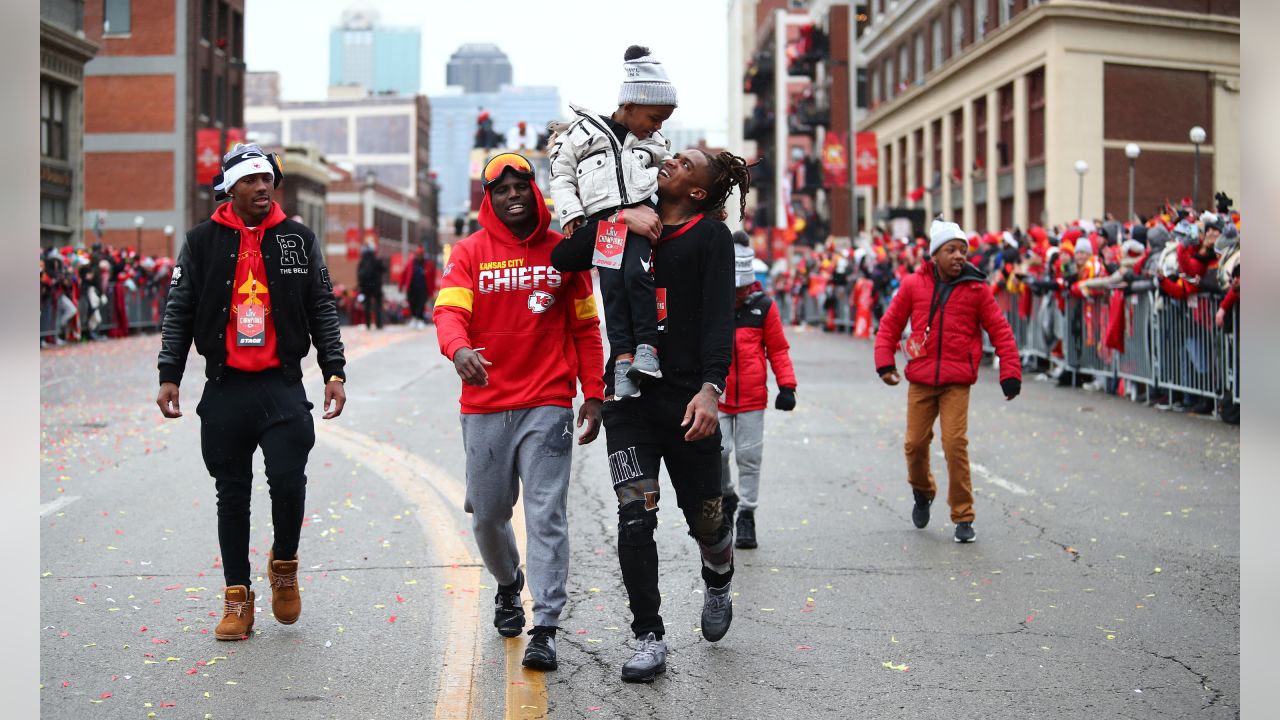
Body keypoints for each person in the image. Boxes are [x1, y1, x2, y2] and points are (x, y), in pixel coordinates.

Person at [552, 147, 753, 683]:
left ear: (697, 193)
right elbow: (564, 258)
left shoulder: (711, 238)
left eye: (686, 164)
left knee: (706, 520)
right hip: (629, 402)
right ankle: (649, 635)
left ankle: (718, 572)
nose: (671, 161)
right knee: (634, 513)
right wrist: (615, 216)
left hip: (688, 401)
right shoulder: (626, 219)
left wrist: (712, 390)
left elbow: (718, 319)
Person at [156, 143, 347, 640]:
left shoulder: (297, 239)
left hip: (280, 385)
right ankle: (237, 597)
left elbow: (322, 305)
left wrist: (334, 370)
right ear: (230, 188)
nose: (263, 187)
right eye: (251, 180)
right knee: (231, 494)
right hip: (225, 389)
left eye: (268, 179)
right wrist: (169, 373)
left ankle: (284, 563)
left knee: (288, 481)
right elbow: (178, 310)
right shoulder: (200, 243)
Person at [433, 152, 606, 672]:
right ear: (490, 198)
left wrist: (593, 393)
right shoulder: (469, 252)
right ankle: (510, 585)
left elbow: (585, 327)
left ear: (535, 191)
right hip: (485, 404)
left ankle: (546, 626)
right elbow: (449, 311)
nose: (512, 194)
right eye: (501, 188)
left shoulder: (562, 253)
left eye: (520, 185)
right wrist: (458, 348)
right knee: (488, 515)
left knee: (546, 513)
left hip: (547, 402)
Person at [873, 217, 1022, 544]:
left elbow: (1001, 332)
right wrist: (885, 363)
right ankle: (923, 492)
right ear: (935, 254)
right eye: (951, 250)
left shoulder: (977, 289)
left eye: (962, 250)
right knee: (914, 444)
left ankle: (963, 515)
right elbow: (890, 325)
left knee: (954, 444)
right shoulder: (914, 285)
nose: (958, 256)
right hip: (921, 379)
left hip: (957, 381)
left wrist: (1010, 373)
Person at [548, 44, 676, 398]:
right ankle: (622, 360)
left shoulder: (654, 143)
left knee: (637, 276)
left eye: (663, 120)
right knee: (613, 290)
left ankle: (647, 350)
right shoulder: (581, 132)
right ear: (630, 106)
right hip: (604, 227)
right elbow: (561, 175)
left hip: (640, 217)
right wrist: (571, 213)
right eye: (654, 118)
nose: (658, 126)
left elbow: (668, 179)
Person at [719, 243, 797, 550]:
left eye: (742, 286)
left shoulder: (764, 306)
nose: (738, 292)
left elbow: (778, 349)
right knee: (718, 452)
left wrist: (787, 386)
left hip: (752, 397)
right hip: (719, 394)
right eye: (733, 286)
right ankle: (727, 495)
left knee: (749, 458)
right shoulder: (714, 302)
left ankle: (747, 514)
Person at [356, 240, 385, 329]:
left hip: (366, 287)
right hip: (376, 286)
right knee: (378, 305)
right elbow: (383, 269)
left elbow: (359, 275)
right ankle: (379, 324)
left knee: (367, 306)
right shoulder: (376, 259)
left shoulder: (362, 262)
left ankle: (368, 324)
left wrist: (360, 286)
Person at [400, 248, 431, 328]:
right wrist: (401, 285)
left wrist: (431, 290)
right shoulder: (410, 264)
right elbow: (404, 274)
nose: (419, 256)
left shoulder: (427, 264)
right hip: (412, 288)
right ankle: (414, 318)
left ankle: (420, 319)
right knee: (412, 304)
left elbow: (431, 277)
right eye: (418, 254)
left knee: (421, 304)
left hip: (423, 288)